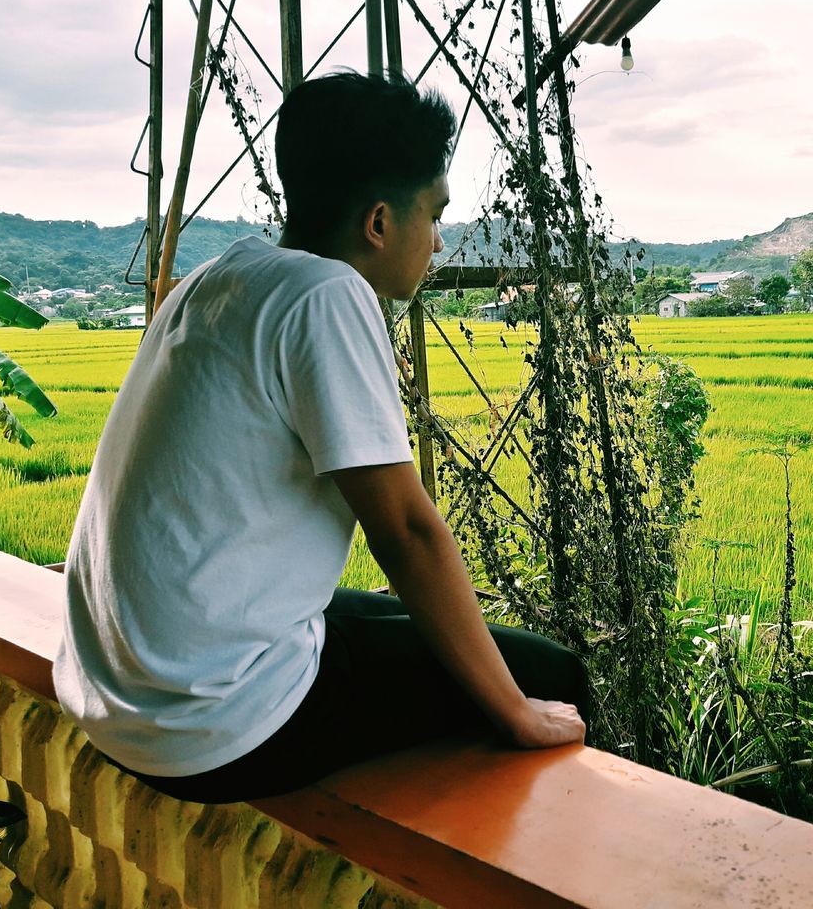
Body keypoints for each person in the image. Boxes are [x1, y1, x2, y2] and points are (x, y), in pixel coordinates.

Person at [53, 72, 588, 804]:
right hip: (217, 727)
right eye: (432, 216)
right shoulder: (327, 295)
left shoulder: (221, 276)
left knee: (399, 616)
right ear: (377, 223)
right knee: (550, 675)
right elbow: (404, 530)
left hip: (118, 696)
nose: (436, 241)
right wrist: (518, 714)